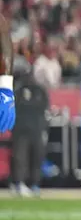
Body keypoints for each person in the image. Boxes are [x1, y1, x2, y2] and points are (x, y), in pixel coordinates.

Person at [10, 62, 48, 196]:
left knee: (36, 157)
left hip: (35, 129)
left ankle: (35, 184)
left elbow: (44, 110)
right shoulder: (17, 91)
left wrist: (44, 128)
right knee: (20, 157)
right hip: (22, 129)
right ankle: (19, 183)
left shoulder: (40, 90)